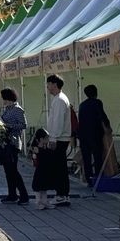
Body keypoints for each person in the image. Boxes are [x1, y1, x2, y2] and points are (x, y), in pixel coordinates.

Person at [0, 88, 29, 206]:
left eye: (4, 98)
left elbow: (23, 125)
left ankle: (24, 195)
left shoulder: (17, 109)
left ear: (8, 98)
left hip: (14, 143)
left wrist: (7, 126)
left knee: (13, 171)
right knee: (8, 171)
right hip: (6, 143)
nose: (3, 101)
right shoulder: (7, 109)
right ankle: (12, 194)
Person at [78, 84, 111, 186]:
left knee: (87, 158)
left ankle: (89, 180)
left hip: (83, 135)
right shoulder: (97, 103)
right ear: (96, 93)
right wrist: (108, 126)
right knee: (97, 157)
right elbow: (102, 116)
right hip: (95, 134)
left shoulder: (82, 105)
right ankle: (98, 177)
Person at [46, 74, 71, 206]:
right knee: (59, 167)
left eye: (49, 84)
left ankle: (62, 194)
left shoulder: (60, 100)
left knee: (59, 168)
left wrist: (53, 137)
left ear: (54, 84)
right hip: (59, 137)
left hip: (60, 138)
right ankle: (62, 194)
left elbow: (58, 121)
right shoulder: (58, 99)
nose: (48, 87)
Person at [31, 128, 55, 210]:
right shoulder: (37, 149)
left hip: (45, 170)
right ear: (41, 139)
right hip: (40, 170)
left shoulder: (46, 149)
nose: (48, 139)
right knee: (38, 187)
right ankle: (39, 202)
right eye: (46, 138)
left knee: (44, 188)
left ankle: (44, 201)